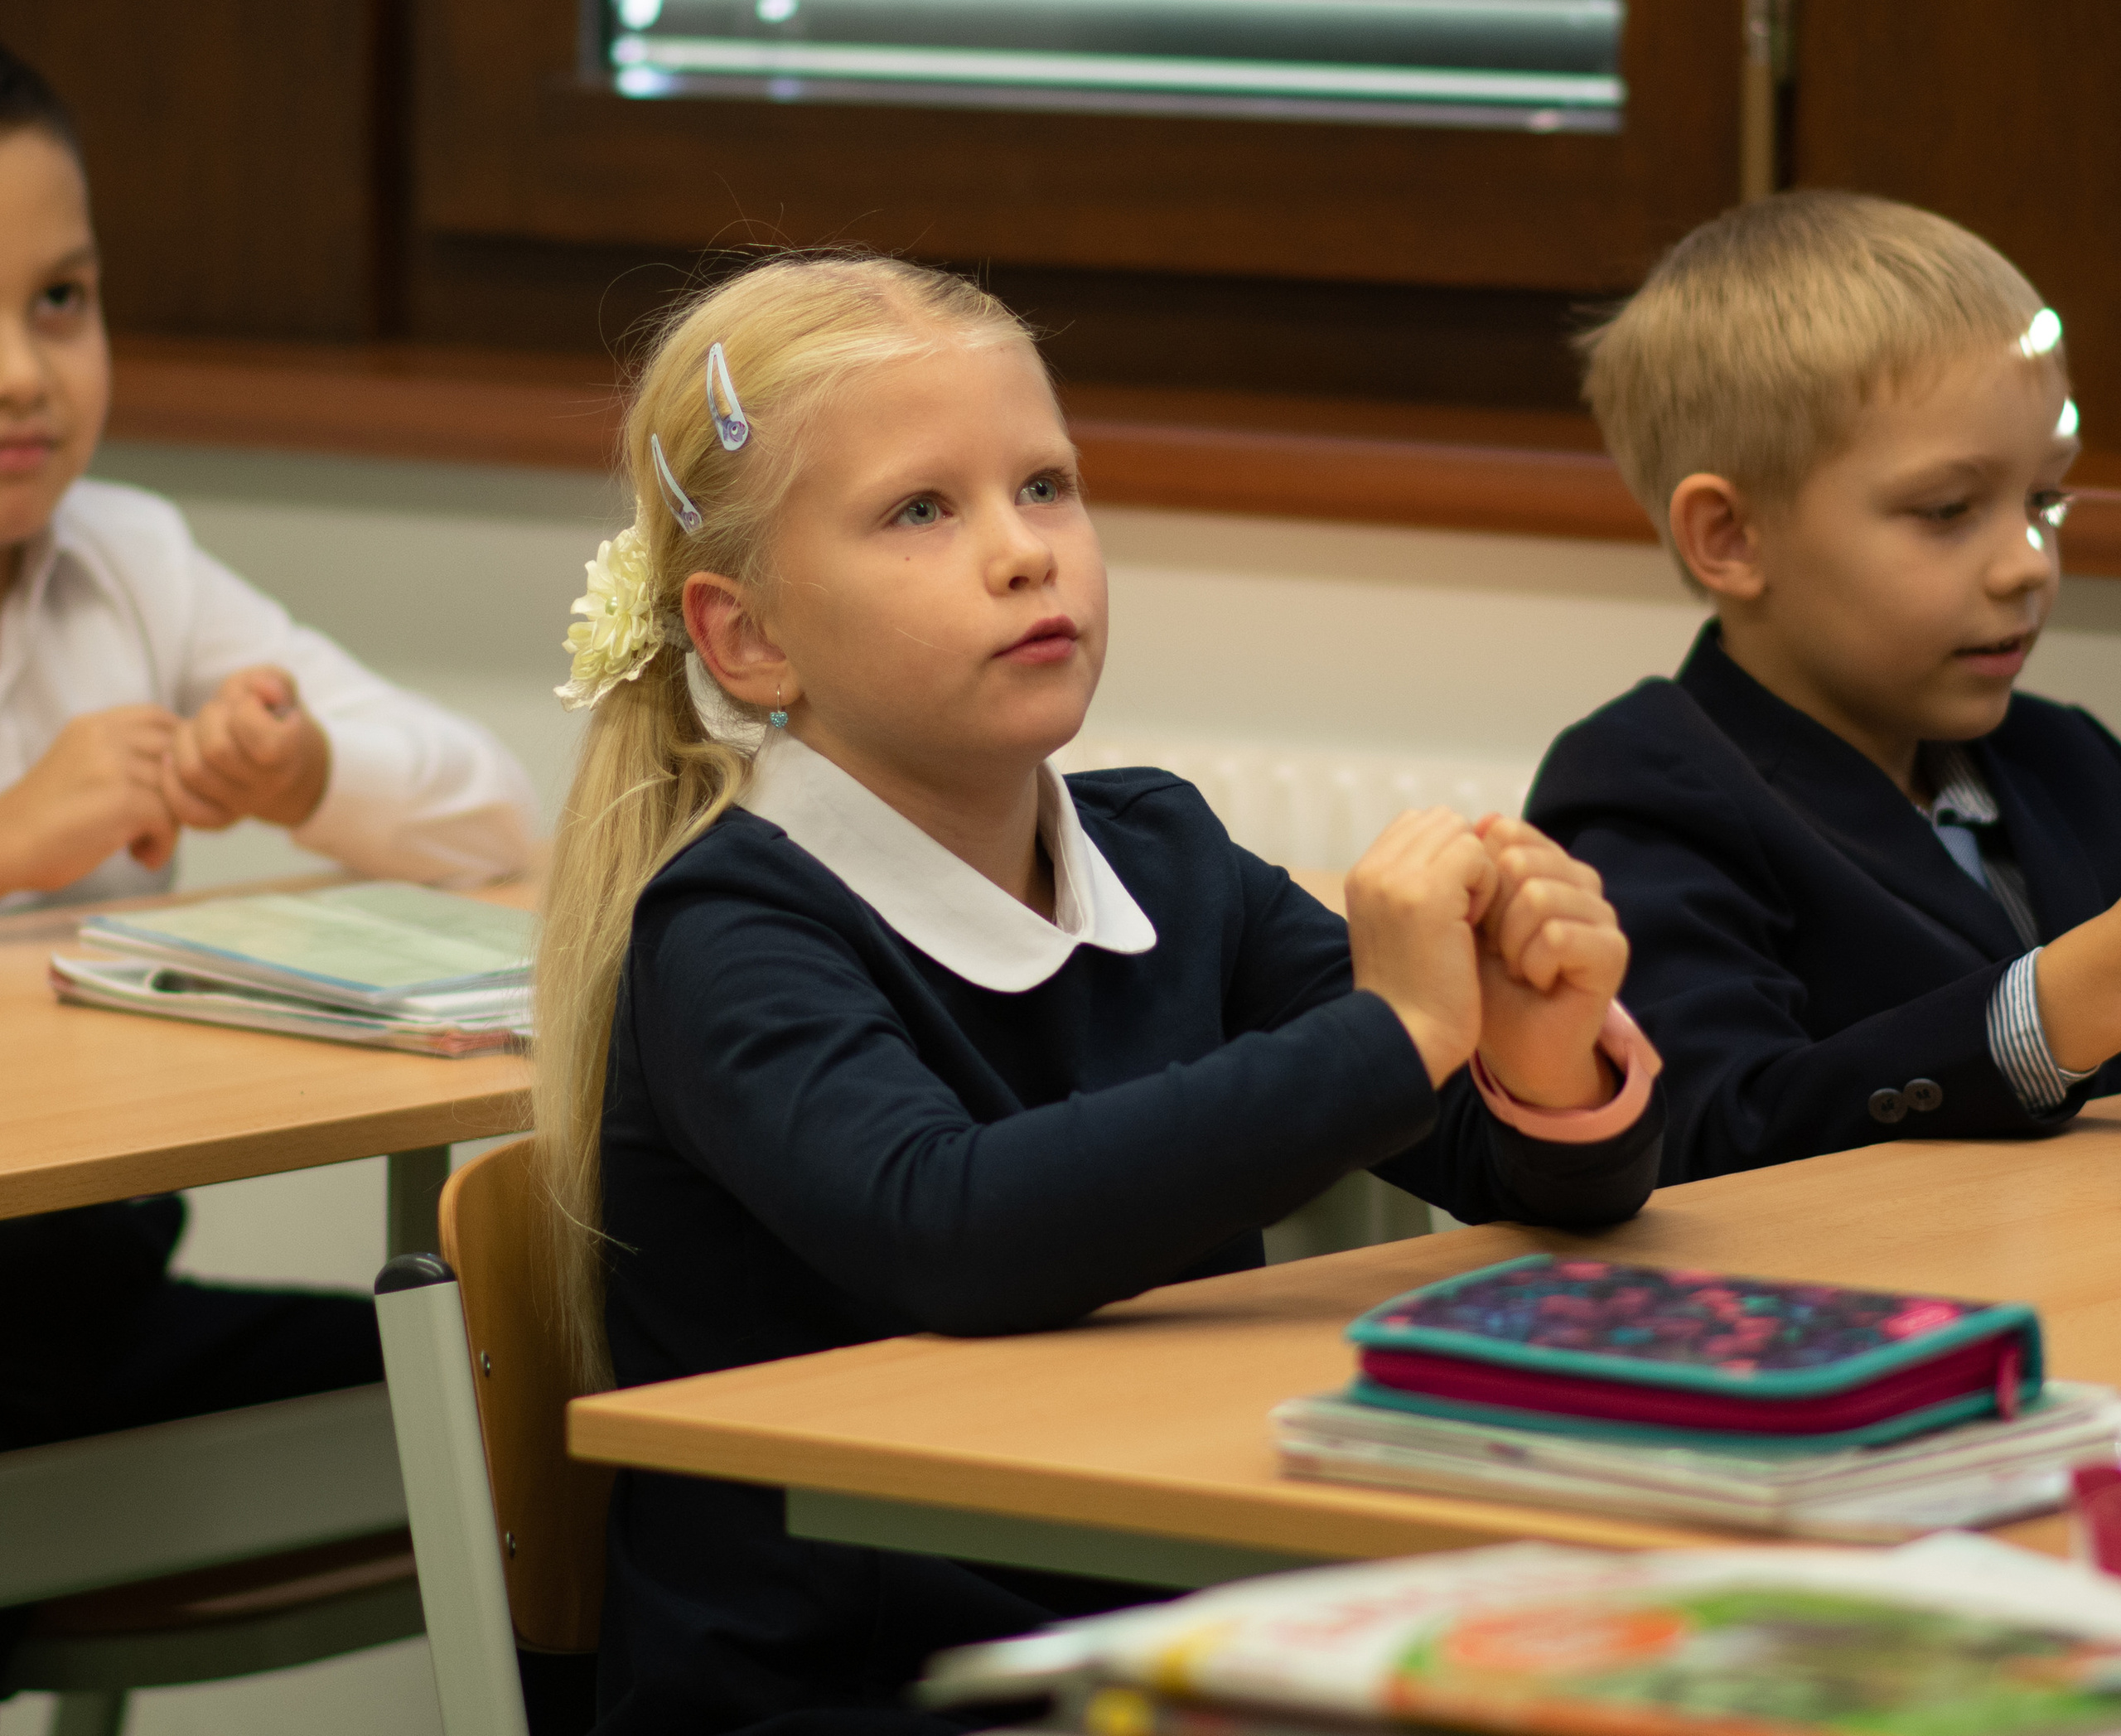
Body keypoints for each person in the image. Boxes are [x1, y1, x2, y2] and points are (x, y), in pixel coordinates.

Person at [533, 253, 1666, 1735]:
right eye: (921, 511)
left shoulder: (1163, 854)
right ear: (750, 638)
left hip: (1170, 1631)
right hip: (861, 1685)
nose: (1024, 552)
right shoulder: (732, 932)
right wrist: (1399, 1033)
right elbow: (956, 1230)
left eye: (1047, 486)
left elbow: (1531, 1180)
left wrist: (1542, 1054)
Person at [0, 41, 539, 1470]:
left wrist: (302, 778)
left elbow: (491, 817)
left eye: (60, 300)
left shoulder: (125, 561)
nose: (21, 373)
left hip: (85, 1315)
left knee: (510, 1413)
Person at [1526, 190, 2121, 1188]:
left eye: (2042, 500)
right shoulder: (1647, 791)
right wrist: (2054, 1011)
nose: (2028, 564)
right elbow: (1709, 1139)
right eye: (1947, 509)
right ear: (1731, 538)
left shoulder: (2064, 756)